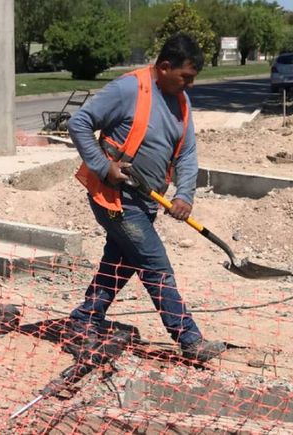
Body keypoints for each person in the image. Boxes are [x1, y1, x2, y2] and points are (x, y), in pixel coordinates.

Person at [66, 33, 226, 363]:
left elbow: (188, 152)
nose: (190, 85)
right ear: (165, 67)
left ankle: (84, 319)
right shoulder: (129, 89)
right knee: (155, 265)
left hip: (149, 200)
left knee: (120, 262)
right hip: (116, 199)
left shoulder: (181, 100)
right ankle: (189, 339)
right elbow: (79, 122)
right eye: (186, 77)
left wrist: (185, 194)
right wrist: (102, 166)